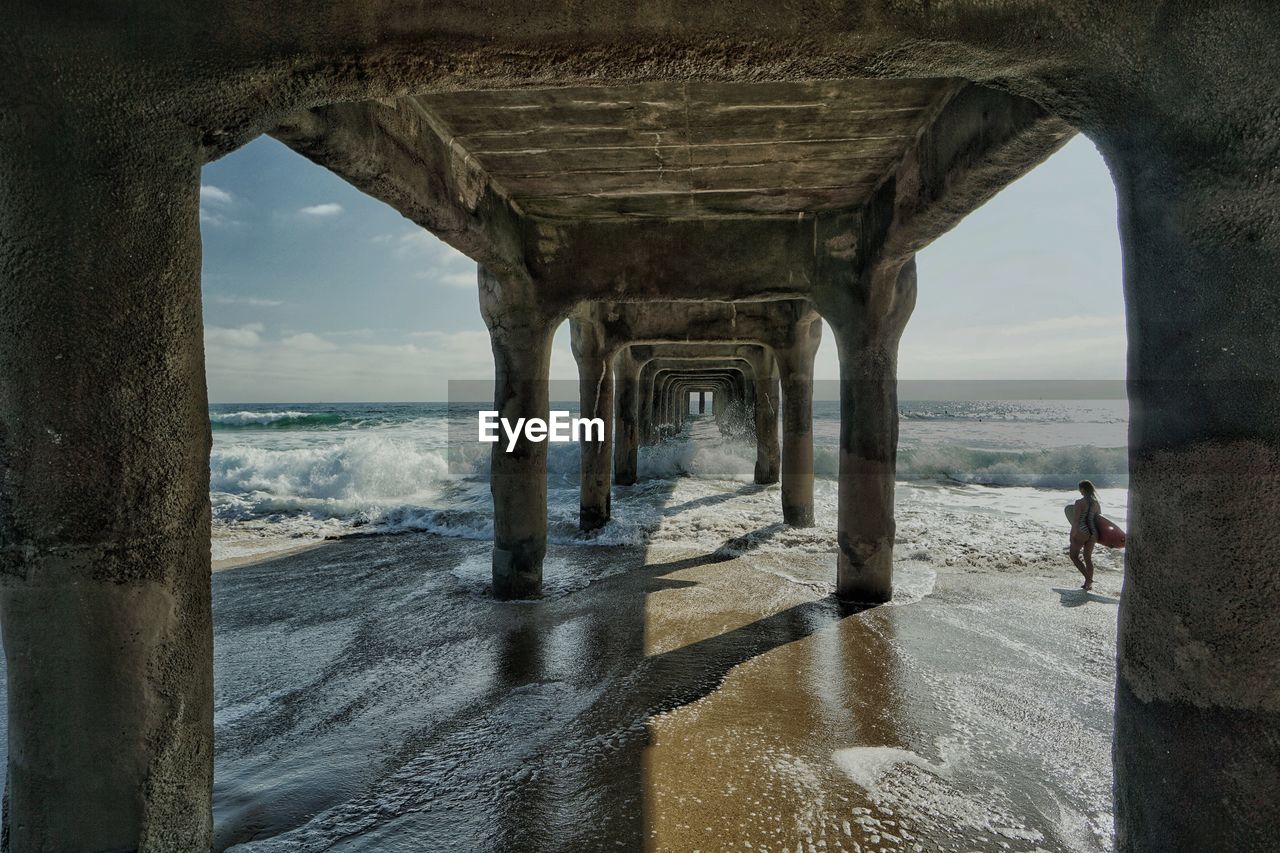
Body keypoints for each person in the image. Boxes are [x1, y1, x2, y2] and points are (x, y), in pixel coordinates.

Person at [1069, 479, 1101, 591]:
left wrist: (1072, 534)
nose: (1080, 491)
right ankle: (1088, 584)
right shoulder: (1096, 503)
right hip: (1093, 532)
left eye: (1080, 489)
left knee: (1073, 556)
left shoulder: (1079, 502)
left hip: (1082, 531)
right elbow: (1099, 519)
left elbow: (1076, 520)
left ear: (1082, 489)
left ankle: (1088, 578)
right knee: (1088, 558)